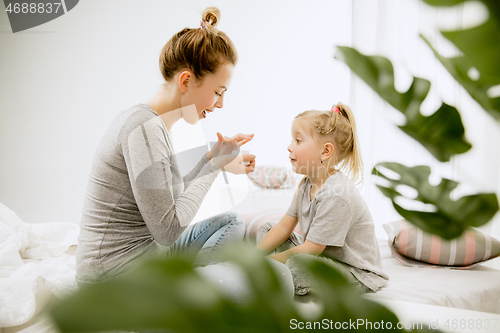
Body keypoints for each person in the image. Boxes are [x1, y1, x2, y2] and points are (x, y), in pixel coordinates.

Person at [75, 7, 260, 285]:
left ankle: (191, 287)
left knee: (229, 221)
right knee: (270, 280)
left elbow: (163, 200)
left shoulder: (151, 124)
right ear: (186, 80)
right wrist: (213, 166)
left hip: (145, 257)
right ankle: (190, 292)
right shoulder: (144, 129)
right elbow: (168, 229)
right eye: (218, 92)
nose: (220, 104)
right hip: (113, 281)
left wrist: (211, 160)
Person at [256, 103, 389, 295]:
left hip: (355, 271)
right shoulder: (306, 183)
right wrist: (254, 257)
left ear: (326, 151)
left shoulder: (337, 194)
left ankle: (270, 277)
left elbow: (310, 250)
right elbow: (284, 226)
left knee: (301, 266)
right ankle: (268, 274)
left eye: (298, 140)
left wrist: (267, 262)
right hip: (323, 257)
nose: (289, 146)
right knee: (267, 228)